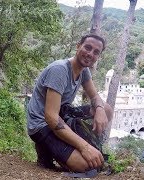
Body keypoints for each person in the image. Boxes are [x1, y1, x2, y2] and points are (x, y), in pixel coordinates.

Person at [27, 34, 113, 172]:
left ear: (98, 56)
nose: (90, 54)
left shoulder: (84, 71)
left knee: (106, 109)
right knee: (85, 166)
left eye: (96, 52)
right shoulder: (59, 70)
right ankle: (45, 150)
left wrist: (100, 109)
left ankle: (90, 146)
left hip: (63, 113)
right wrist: (84, 147)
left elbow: (95, 96)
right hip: (42, 123)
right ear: (78, 46)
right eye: (88, 47)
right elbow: (51, 117)